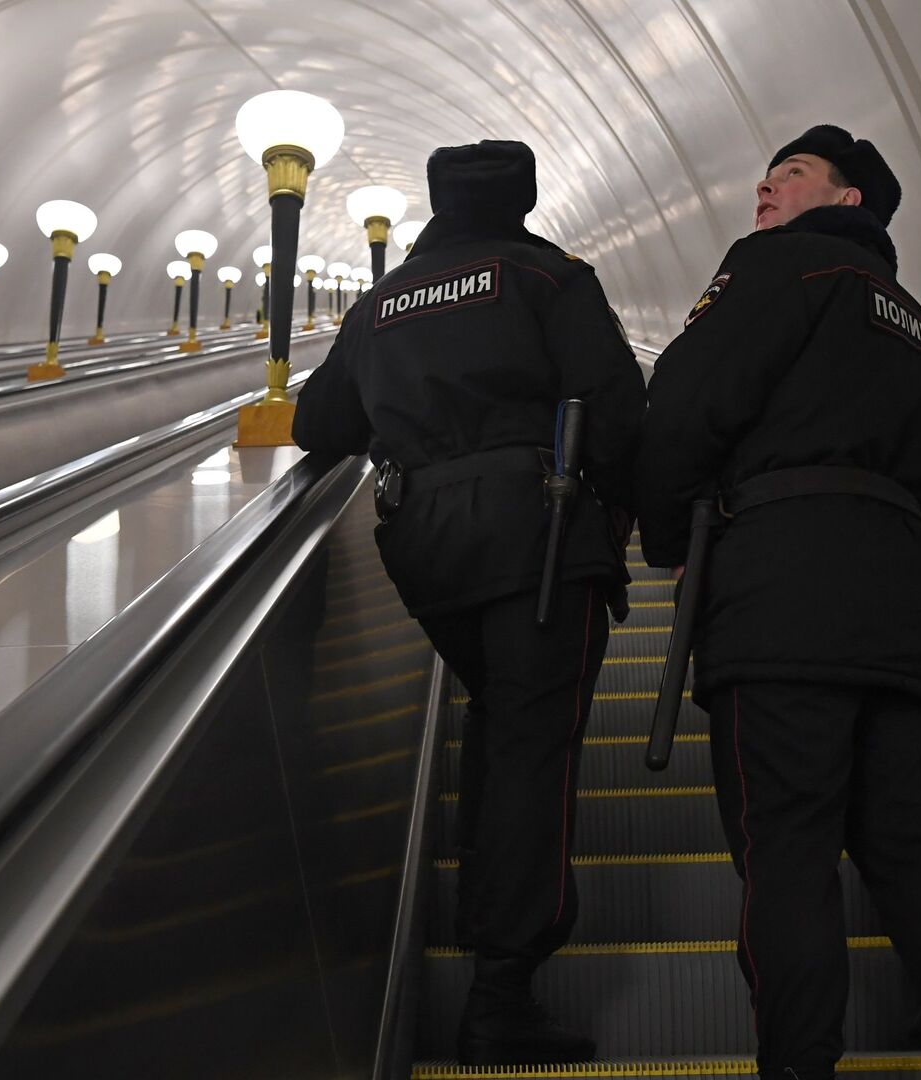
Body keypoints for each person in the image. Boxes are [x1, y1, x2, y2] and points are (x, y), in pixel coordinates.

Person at [634, 125, 921, 1079]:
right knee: (913, 850)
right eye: (763, 177)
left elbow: (682, 401)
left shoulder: (776, 270)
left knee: (788, 855)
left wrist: (674, 548)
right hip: (908, 612)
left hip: (782, 602)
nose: (764, 191)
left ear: (846, 202)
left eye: (790, 176)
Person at [292, 140, 646, 1066]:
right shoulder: (549, 276)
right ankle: (500, 993)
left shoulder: (380, 303)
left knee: (501, 713)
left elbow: (318, 424)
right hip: (539, 535)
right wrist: (634, 524)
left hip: (424, 545)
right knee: (535, 743)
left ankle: (480, 915)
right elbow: (615, 405)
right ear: (523, 198)